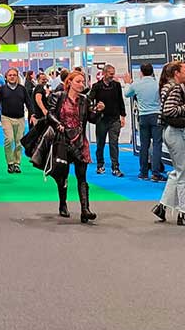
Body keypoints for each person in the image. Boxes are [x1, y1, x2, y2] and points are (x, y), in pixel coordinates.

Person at [153, 61, 185, 226]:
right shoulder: (174, 88)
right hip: (176, 132)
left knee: (180, 172)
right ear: (176, 73)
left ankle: (162, 207)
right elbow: (169, 110)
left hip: (173, 132)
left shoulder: (171, 86)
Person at [50, 71, 96, 223]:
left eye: (83, 82)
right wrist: (58, 124)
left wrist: (99, 111)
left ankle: (85, 209)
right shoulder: (59, 96)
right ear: (69, 82)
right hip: (63, 141)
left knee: (82, 176)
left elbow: (92, 118)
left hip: (80, 142)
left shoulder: (85, 100)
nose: (81, 84)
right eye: (78, 81)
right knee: (62, 176)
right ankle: (63, 204)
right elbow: (50, 114)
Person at [124, 64, 165, 181]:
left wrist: (127, 83)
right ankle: (156, 173)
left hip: (143, 117)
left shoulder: (137, 84)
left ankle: (143, 173)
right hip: (156, 115)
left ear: (141, 72)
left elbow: (126, 94)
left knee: (144, 145)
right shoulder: (158, 84)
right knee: (157, 144)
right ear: (152, 72)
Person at [88, 64, 127, 177]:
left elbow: (120, 101)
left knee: (114, 143)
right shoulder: (96, 86)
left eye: (113, 74)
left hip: (114, 119)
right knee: (100, 144)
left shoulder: (116, 85)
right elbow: (89, 101)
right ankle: (100, 165)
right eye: (110, 74)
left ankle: (115, 167)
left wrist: (123, 116)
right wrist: (96, 107)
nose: (112, 76)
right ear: (104, 73)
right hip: (101, 119)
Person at [0, 67, 29, 174]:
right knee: (9, 140)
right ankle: (10, 163)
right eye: (10, 75)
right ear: (6, 77)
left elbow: (29, 102)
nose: (12, 77)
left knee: (19, 142)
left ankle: (17, 163)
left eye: (14, 75)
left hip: (20, 119)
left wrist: (32, 115)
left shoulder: (22, 89)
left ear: (17, 76)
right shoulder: (2, 89)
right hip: (6, 118)